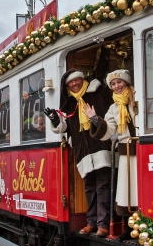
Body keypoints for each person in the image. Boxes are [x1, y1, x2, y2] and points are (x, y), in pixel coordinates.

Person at [46, 70, 113, 236]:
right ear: (67, 85)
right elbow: (64, 127)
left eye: (77, 80)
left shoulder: (96, 93)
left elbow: (109, 116)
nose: (75, 84)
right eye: (71, 82)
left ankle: (103, 224)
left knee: (103, 185)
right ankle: (92, 222)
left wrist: (94, 118)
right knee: (90, 187)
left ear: (82, 80)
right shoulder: (68, 103)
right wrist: (55, 119)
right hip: (82, 150)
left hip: (100, 144)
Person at [84, 69, 138, 216]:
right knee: (127, 191)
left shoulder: (138, 98)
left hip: (143, 149)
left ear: (126, 82)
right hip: (126, 152)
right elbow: (109, 130)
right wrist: (95, 119)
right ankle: (128, 228)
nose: (116, 86)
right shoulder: (113, 108)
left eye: (119, 82)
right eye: (113, 84)